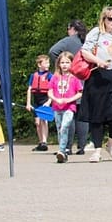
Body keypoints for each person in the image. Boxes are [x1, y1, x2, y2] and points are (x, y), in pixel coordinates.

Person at [76, 5, 112, 162]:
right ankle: (97, 149)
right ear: (104, 19)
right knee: (98, 113)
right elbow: (84, 51)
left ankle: (111, 142)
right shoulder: (96, 33)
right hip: (99, 74)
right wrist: (99, 61)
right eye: (110, 18)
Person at [48, 19, 88, 153]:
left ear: (72, 29)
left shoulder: (69, 40)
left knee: (68, 114)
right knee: (82, 115)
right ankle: (82, 146)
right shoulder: (88, 41)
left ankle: (67, 147)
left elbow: (53, 51)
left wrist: (62, 65)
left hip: (69, 81)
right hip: (86, 79)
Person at [48, 52, 83, 163]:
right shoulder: (55, 77)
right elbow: (50, 91)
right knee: (60, 129)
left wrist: (69, 100)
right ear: (58, 64)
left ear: (72, 64)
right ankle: (63, 151)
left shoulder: (74, 78)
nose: (64, 65)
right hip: (57, 107)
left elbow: (80, 92)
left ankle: (62, 150)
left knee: (65, 126)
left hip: (69, 107)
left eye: (67, 62)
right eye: (62, 62)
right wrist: (55, 99)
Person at [28, 54, 53, 150]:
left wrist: (49, 101)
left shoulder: (50, 76)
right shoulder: (33, 76)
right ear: (39, 64)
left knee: (44, 120)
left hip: (45, 99)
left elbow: (52, 89)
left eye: (48, 63)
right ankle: (40, 141)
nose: (48, 65)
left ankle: (44, 142)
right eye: (45, 63)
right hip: (36, 100)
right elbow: (29, 89)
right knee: (37, 122)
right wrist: (28, 103)